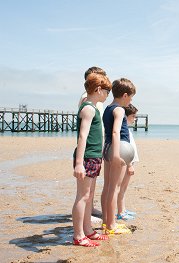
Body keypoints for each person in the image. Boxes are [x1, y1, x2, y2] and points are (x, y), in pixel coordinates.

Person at [72, 73, 112, 247]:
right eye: (106, 91)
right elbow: (82, 136)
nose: (107, 95)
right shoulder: (88, 108)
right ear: (98, 90)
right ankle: (78, 235)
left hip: (94, 157)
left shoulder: (94, 108)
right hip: (87, 157)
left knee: (89, 196)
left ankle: (88, 230)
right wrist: (79, 163)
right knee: (82, 196)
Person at [101, 78, 136, 235]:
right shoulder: (120, 110)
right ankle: (112, 225)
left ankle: (105, 222)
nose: (130, 101)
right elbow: (116, 132)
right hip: (118, 149)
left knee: (108, 187)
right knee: (114, 189)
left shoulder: (108, 108)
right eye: (131, 98)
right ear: (125, 95)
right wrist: (116, 155)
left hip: (107, 147)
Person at [78, 66, 107, 223]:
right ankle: (86, 215)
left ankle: (90, 209)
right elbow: (84, 133)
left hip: (95, 146)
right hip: (90, 148)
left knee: (91, 185)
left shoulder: (95, 100)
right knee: (85, 190)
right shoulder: (87, 100)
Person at [116, 104, 140, 220]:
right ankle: (121, 212)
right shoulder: (123, 130)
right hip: (126, 162)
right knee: (121, 187)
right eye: (133, 116)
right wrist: (130, 165)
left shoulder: (127, 130)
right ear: (126, 117)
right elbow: (124, 149)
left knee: (124, 188)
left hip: (130, 161)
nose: (134, 119)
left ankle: (123, 209)